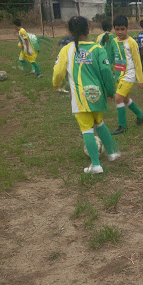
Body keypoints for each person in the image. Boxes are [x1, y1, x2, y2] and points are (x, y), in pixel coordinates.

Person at [52, 15, 120, 174]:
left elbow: (58, 72)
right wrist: (110, 91)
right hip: (97, 95)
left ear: (70, 32)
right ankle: (112, 153)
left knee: (87, 129)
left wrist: (56, 84)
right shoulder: (98, 49)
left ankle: (96, 165)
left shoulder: (67, 50)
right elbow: (106, 71)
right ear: (88, 30)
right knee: (99, 123)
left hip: (81, 97)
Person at [110, 15, 143, 134]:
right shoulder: (113, 42)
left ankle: (122, 126)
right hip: (118, 75)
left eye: (122, 29)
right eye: (117, 29)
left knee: (118, 98)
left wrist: (140, 79)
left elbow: (137, 62)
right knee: (125, 99)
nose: (120, 32)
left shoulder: (132, 43)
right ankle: (141, 115)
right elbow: (111, 58)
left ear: (127, 28)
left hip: (129, 75)